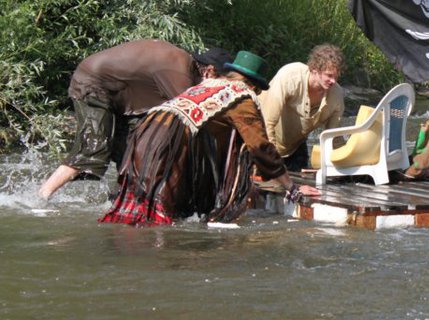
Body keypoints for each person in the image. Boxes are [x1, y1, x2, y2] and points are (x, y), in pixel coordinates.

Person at [100, 51, 319, 226]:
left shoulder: (208, 85)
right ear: (253, 84)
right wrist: (291, 188)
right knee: (161, 217)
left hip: (146, 131)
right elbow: (260, 147)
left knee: (139, 208)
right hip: (169, 141)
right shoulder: (242, 96)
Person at [39, 40, 232, 200]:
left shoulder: (184, 66)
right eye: (222, 82)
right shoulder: (178, 71)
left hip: (119, 93)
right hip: (92, 84)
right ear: (210, 71)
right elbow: (192, 119)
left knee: (132, 150)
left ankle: (120, 200)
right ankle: (43, 196)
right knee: (93, 149)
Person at [259, 44, 345, 171]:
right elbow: (267, 122)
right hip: (261, 141)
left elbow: (333, 138)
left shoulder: (336, 95)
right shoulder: (289, 77)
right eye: (329, 75)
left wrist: (346, 166)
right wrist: (273, 161)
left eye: (336, 76)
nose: (333, 81)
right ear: (314, 69)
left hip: (295, 148)